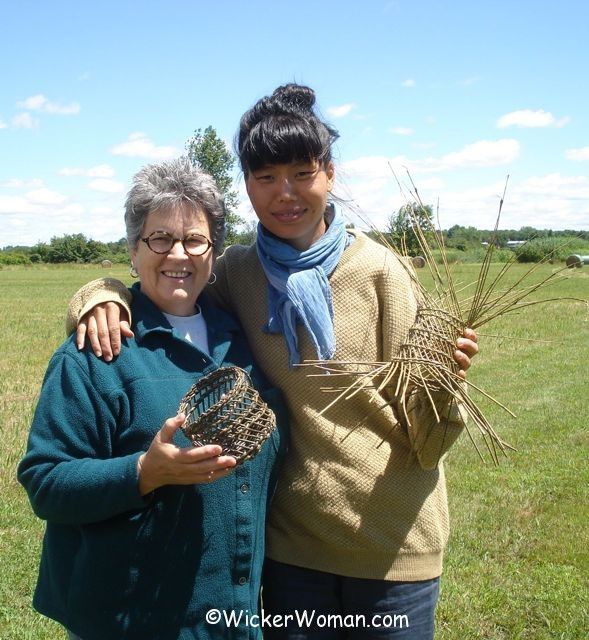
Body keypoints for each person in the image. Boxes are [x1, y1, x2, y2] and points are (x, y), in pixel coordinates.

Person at [66, 85, 478, 639]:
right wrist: (99, 294)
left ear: (329, 174)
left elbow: (430, 442)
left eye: (302, 174)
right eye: (265, 178)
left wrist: (442, 384)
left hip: (391, 549)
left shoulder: (382, 272)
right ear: (247, 186)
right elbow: (164, 284)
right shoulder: (236, 273)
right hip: (291, 553)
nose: (285, 194)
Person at [17, 158, 286, 640]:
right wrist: (143, 473)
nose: (177, 254)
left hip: (232, 617)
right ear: (133, 248)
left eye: (194, 239)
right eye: (159, 238)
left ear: (213, 251)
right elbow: (45, 480)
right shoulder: (98, 352)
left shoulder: (241, 338)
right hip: (131, 622)